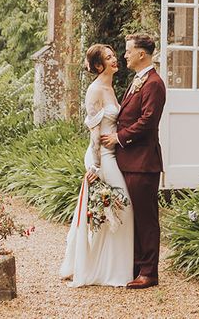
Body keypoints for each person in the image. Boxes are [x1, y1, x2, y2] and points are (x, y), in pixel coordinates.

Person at [59, 44, 134, 286]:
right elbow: (93, 133)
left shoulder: (111, 88)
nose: (115, 59)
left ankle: (111, 267)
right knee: (121, 206)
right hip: (101, 157)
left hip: (113, 154)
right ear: (99, 65)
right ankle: (107, 270)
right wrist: (95, 167)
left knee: (112, 209)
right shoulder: (94, 90)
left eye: (114, 56)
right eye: (109, 57)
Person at [100, 33, 166, 289]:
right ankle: (137, 265)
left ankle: (149, 272)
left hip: (143, 162)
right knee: (133, 216)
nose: (124, 55)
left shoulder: (154, 83)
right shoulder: (137, 80)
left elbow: (148, 122)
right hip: (128, 161)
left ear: (141, 54)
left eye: (128, 51)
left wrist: (118, 138)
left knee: (146, 218)